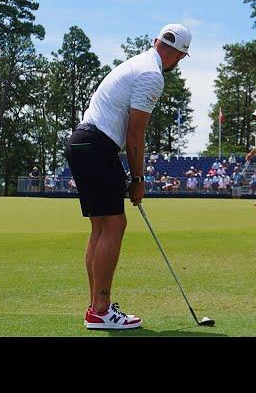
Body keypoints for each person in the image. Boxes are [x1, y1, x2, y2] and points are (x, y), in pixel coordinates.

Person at [65, 23, 191, 330]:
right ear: (178, 55)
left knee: (101, 226)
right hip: (96, 145)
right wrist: (138, 180)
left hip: (82, 142)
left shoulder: (137, 63)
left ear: (155, 41)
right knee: (115, 223)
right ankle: (101, 309)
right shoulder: (151, 74)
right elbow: (136, 133)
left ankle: (96, 306)